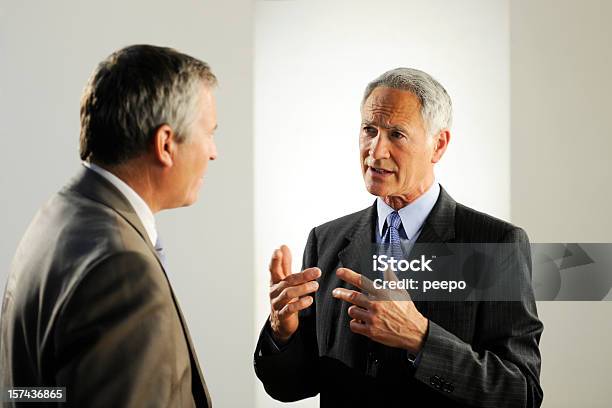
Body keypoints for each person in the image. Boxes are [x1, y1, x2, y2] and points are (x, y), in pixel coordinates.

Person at [254, 68, 543, 407]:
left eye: (396, 135)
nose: (375, 152)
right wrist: (282, 332)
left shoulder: (496, 244)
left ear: (439, 144)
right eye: (369, 130)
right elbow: (290, 387)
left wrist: (420, 338)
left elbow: (521, 393)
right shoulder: (325, 240)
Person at [0, 45, 217, 407]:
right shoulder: (123, 271)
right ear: (165, 144)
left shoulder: (57, 216)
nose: (213, 151)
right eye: (209, 132)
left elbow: (33, 393)